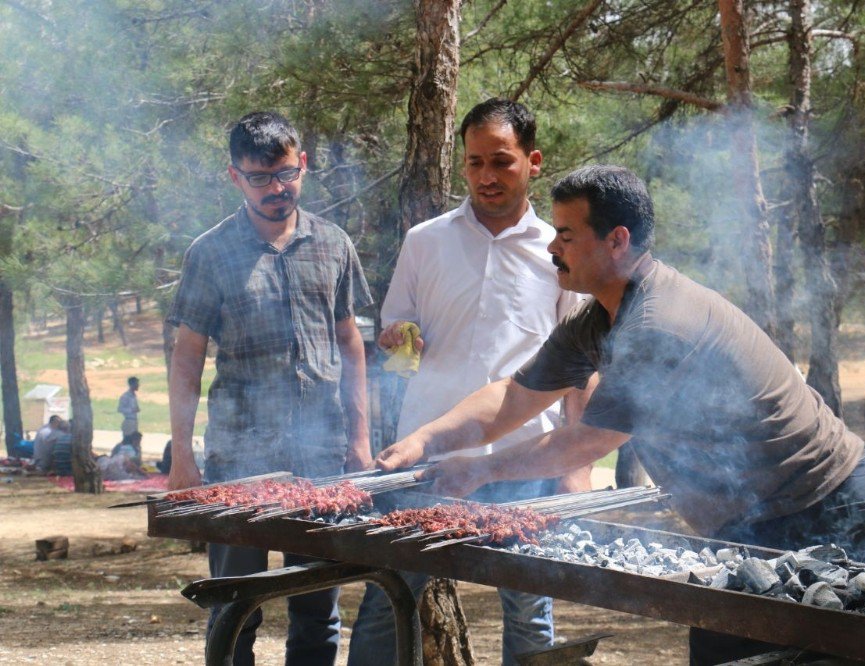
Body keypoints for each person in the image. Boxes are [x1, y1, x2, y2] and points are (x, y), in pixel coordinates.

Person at [375, 165, 865, 666]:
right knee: (722, 648)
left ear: (616, 240)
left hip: (817, 499)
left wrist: (482, 468)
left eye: (567, 235)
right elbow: (516, 394)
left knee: (772, 655)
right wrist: (425, 440)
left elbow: (587, 441)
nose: (552, 248)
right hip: (756, 512)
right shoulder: (597, 318)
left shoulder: (656, 326)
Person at [348, 99, 594, 666]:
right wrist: (398, 337)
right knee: (390, 593)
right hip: (425, 452)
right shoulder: (425, 240)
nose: (487, 176)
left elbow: (582, 366)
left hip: (523, 456)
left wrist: (575, 466)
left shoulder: (559, 250)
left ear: (532, 162)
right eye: (475, 162)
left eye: (501, 161)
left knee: (530, 607)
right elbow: (396, 327)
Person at [167, 111, 373, 666]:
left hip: (322, 458)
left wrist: (360, 441)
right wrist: (183, 455)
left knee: (317, 610)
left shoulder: (333, 244)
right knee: (235, 606)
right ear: (235, 177)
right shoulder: (209, 253)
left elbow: (350, 344)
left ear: (302, 163)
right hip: (240, 460)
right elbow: (188, 358)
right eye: (260, 178)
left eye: (286, 174)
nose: (277, 189)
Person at [117, 376, 140, 441]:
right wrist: (131, 410)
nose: (138, 385)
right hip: (128, 421)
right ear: (132, 384)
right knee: (128, 440)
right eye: (136, 384)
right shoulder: (126, 396)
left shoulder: (134, 396)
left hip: (134, 421)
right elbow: (120, 409)